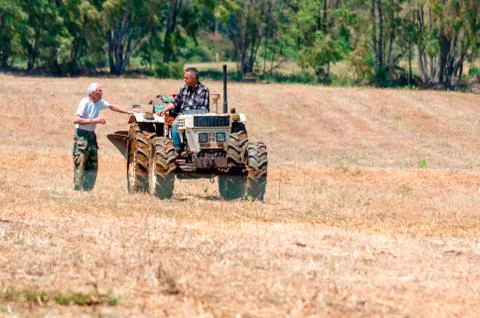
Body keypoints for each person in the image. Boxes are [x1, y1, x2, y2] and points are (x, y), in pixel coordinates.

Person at [73, 82, 133, 191]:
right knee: (81, 162)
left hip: (91, 136)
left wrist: (129, 112)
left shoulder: (100, 102)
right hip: (81, 135)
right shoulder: (84, 103)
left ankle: (87, 190)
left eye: (101, 91)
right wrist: (94, 120)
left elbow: (112, 107)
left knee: (93, 163)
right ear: (92, 93)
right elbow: (76, 120)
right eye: (99, 91)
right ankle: (78, 189)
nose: (101, 93)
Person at [158, 67, 210, 154]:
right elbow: (175, 102)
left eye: (186, 78)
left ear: (194, 78)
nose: (184, 80)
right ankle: (177, 148)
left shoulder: (204, 89)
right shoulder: (183, 88)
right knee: (175, 124)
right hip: (184, 114)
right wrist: (165, 109)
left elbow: (203, 108)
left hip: (199, 115)